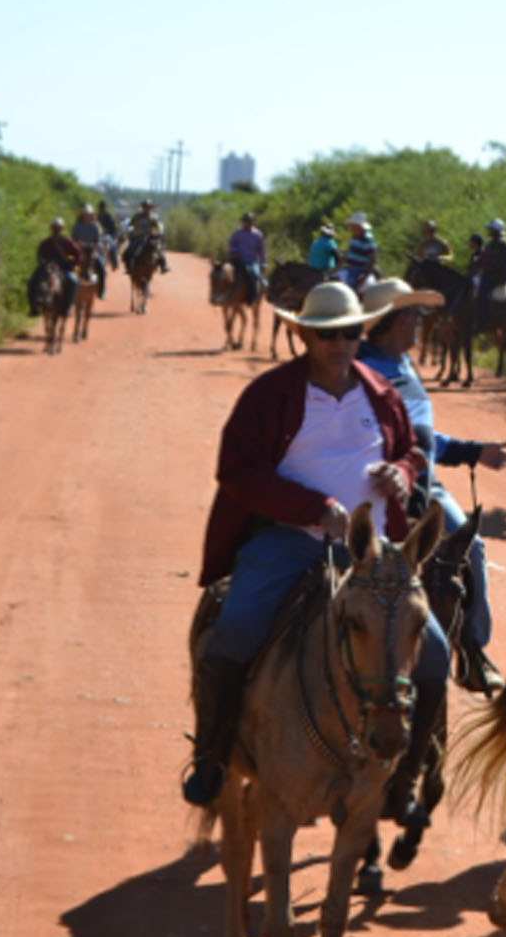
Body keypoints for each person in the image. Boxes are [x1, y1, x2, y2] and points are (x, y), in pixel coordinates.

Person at [181, 281, 451, 807]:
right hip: (289, 541)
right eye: (327, 333)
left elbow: (407, 453)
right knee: (233, 631)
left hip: (374, 556)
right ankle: (213, 754)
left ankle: (406, 774)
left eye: (350, 331)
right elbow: (236, 472)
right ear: (304, 333)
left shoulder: (381, 391)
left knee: (435, 653)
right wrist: (313, 509)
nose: (340, 342)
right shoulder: (269, 395)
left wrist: (400, 474)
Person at [357, 277, 506, 694]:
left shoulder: (405, 366)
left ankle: (470, 650)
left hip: (425, 484)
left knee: (471, 547)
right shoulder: (368, 370)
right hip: (385, 490)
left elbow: (424, 437)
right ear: (392, 321)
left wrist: (472, 451)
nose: (420, 323)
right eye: (414, 315)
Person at [28, 217, 81, 317]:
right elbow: (39, 254)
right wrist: (42, 262)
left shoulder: (67, 242)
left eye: (58, 228)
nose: (56, 230)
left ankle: (67, 307)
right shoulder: (46, 242)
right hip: (47, 266)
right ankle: (34, 307)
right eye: (54, 228)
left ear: (62, 229)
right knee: (32, 281)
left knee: (73, 280)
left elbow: (78, 254)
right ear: (51, 229)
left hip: (63, 267)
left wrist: (72, 262)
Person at [474, 217, 506, 336]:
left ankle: (483, 322)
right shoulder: (491, 243)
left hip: (498, 276)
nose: (488, 231)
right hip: (489, 274)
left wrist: (484, 269)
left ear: (495, 231)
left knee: (482, 292)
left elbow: (498, 263)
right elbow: (484, 257)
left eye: (490, 229)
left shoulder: (504, 244)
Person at [227, 212, 267, 305]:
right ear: (242, 222)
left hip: (251, 261)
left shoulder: (258, 234)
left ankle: (252, 297)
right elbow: (231, 244)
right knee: (225, 272)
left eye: (250, 221)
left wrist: (264, 262)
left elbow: (261, 250)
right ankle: (224, 295)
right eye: (246, 221)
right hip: (237, 260)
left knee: (254, 275)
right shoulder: (237, 233)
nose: (248, 223)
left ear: (253, 222)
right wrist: (235, 250)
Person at [69, 204, 107, 299]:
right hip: (79, 250)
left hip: (91, 250)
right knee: (69, 267)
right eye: (86, 214)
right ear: (82, 215)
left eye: (89, 214)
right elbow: (73, 239)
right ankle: (68, 294)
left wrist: (95, 246)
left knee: (101, 269)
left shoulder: (95, 226)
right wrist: (77, 245)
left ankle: (101, 291)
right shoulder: (77, 226)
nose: (88, 216)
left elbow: (98, 239)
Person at [123, 200, 169, 273]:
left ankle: (163, 265)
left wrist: (158, 232)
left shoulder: (153, 217)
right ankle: (129, 267)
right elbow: (130, 225)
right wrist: (129, 231)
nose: (147, 209)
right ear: (142, 207)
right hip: (137, 237)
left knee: (158, 249)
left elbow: (158, 226)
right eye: (145, 207)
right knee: (128, 251)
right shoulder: (137, 216)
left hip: (150, 237)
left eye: (149, 207)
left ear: (151, 208)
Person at [336, 212, 377, 290]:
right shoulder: (354, 236)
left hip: (359, 269)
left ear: (357, 226)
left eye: (351, 224)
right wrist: (338, 266)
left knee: (348, 286)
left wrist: (365, 275)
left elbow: (372, 258)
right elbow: (349, 252)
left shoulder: (367, 238)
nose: (350, 226)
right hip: (350, 267)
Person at [96, 200, 120, 271]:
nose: (103, 208)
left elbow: (113, 227)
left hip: (107, 235)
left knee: (112, 246)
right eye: (102, 207)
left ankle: (114, 262)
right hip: (97, 235)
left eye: (104, 207)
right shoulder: (96, 215)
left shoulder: (108, 216)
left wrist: (113, 234)